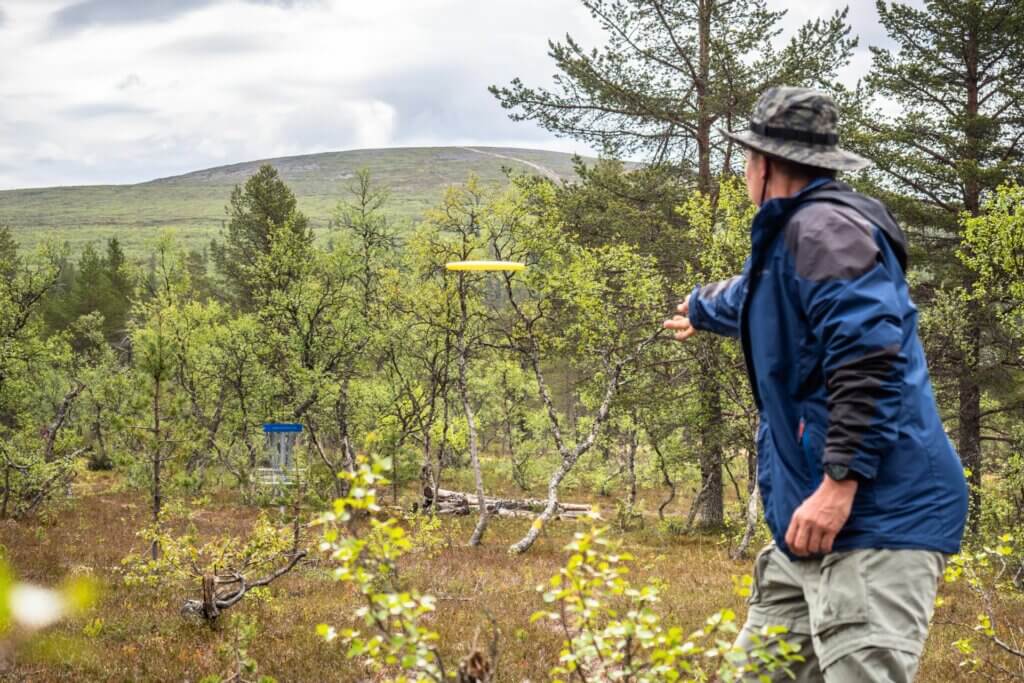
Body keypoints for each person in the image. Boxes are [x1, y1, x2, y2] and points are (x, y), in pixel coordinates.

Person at [664, 87, 968, 682]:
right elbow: (760, 294)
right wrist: (701, 309)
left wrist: (840, 484)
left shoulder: (826, 231)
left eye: (746, 161)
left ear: (765, 165)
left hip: (875, 523)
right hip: (805, 530)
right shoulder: (799, 233)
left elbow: (868, 355)